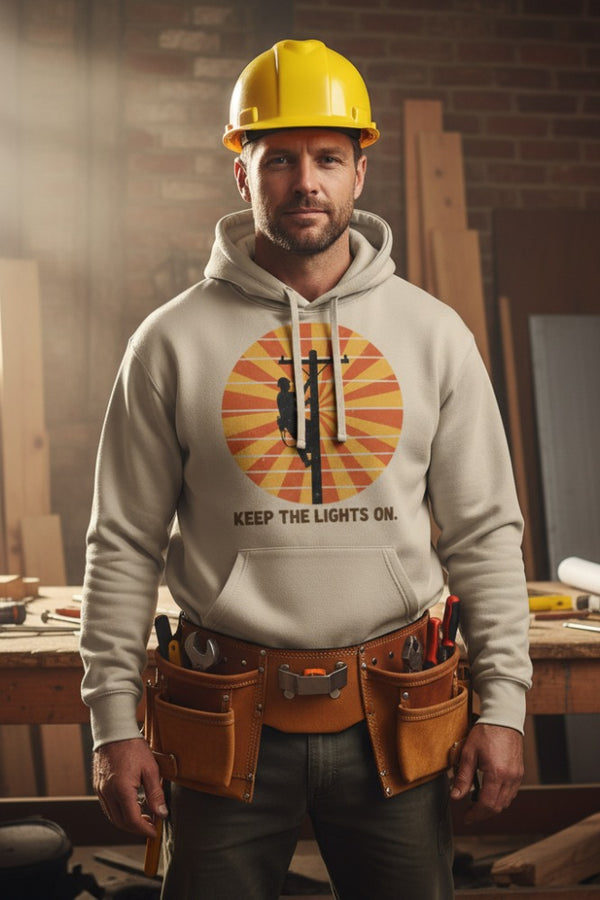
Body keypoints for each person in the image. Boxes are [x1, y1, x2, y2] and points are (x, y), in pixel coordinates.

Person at [80, 38, 532, 900]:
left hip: (396, 717)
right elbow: (123, 544)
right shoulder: (169, 342)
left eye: (328, 157)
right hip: (221, 720)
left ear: (361, 172)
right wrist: (111, 722)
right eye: (278, 159)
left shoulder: (433, 336)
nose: (305, 182)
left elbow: (485, 535)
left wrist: (504, 704)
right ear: (240, 174)